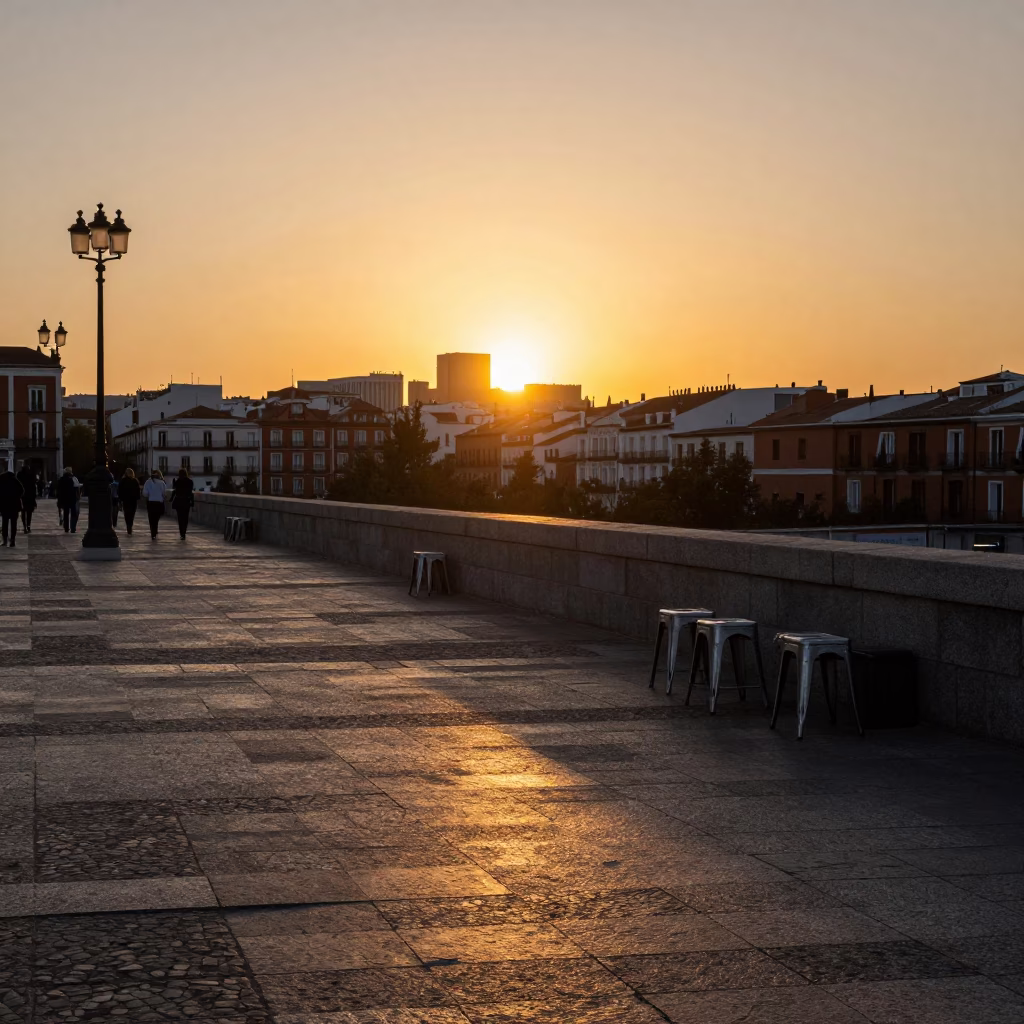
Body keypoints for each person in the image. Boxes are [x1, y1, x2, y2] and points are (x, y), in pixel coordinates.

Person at [0, 462, 24, 547]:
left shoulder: (1, 481)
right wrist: (17, 497)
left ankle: (5, 540)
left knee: (4, 523)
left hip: (4, 505)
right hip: (14, 505)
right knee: (14, 523)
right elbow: (22, 491)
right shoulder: (15, 480)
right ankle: (13, 540)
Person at [171, 468, 195, 540]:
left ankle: (182, 533)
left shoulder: (178, 481)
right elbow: (190, 492)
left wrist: (174, 482)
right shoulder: (190, 481)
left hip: (179, 501)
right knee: (185, 517)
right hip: (186, 501)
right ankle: (184, 532)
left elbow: (175, 489)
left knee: (180, 518)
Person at [143, 469, 168, 539]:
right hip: (159, 503)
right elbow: (164, 493)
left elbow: (145, 493)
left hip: (151, 502)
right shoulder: (162, 483)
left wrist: (150, 495)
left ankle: (153, 532)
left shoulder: (148, 482)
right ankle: (155, 529)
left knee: (151, 518)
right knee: (157, 517)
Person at [56, 467, 81, 533]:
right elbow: (76, 488)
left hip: (64, 499)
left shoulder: (61, 479)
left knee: (66, 513)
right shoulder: (72, 479)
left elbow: (59, 490)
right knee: (73, 513)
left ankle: (66, 528)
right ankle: (73, 528)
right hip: (72, 498)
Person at [117, 468, 141, 536]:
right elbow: (138, 491)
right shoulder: (135, 481)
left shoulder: (123, 481)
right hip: (133, 501)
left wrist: (121, 499)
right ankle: (130, 525)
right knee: (132, 514)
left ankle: (128, 525)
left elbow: (119, 491)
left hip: (126, 500)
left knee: (127, 514)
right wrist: (137, 498)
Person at [16, 463, 37, 534]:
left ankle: (24, 526)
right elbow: (33, 487)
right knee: (29, 513)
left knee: (23, 512)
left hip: (22, 496)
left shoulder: (19, 475)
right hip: (30, 496)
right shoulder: (31, 475)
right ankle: (28, 526)